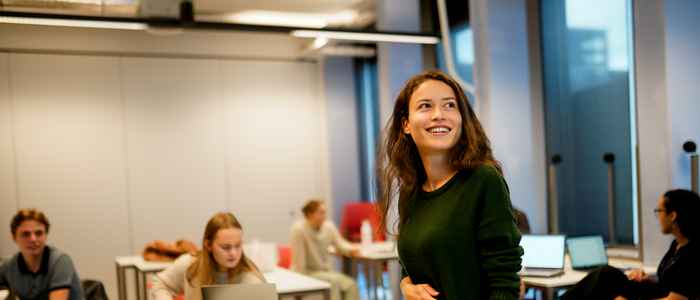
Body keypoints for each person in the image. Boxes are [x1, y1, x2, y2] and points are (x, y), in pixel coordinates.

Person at [377, 70, 523, 300]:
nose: (439, 115)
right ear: (406, 124)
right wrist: (407, 285)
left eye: (449, 105)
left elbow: (505, 282)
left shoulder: (484, 180)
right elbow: (414, 262)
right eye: (425, 106)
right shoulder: (411, 190)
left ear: (461, 118)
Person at [561, 189, 700, 300]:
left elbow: (675, 298)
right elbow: (668, 284)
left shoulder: (692, 254)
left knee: (605, 277)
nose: (658, 217)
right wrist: (648, 279)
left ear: (673, 216)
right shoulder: (676, 245)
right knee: (606, 274)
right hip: (654, 293)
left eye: (660, 211)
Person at [151, 212, 265, 300]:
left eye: (238, 245)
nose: (233, 253)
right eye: (225, 247)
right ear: (208, 245)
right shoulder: (190, 264)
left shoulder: (250, 277)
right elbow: (160, 284)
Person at [0, 208, 84, 300]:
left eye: (39, 233)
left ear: (46, 235)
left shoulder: (60, 261)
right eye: (26, 234)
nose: (33, 239)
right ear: (14, 237)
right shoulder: (8, 265)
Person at [290, 199, 360, 300]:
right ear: (310, 214)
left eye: (324, 213)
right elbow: (299, 264)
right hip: (306, 273)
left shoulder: (328, 227)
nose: (324, 216)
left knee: (351, 285)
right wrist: (300, 284)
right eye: (321, 213)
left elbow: (341, 244)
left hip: (325, 272)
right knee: (334, 282)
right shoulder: (299, 230)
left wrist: (353, 249)